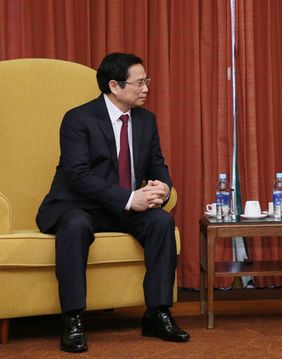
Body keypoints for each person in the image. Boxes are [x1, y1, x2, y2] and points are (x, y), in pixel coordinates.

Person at [36, 53, 189, 353]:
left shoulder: (146, 120)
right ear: (115, 86)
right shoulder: (78, 119)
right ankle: (73, 318)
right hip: (81, 204)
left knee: (161, 222)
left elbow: (157, 164)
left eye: (147, 82)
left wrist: (162, 187)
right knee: (75, 225)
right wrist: (131, 198)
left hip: (124, 206)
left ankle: (157, 314)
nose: (146, 88)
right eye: (140, 82)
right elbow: (78, 176)